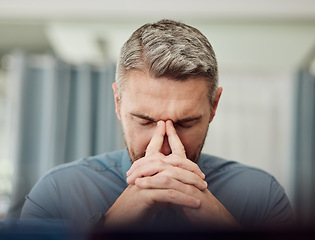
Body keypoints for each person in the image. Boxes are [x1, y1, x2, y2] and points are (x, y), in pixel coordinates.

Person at [19, 19, 294, 232]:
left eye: (185, 122)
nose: (163, 144)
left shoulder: (262, 195)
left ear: (213, 107)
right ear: (117, 102)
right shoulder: (57, 192)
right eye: (145, 120)